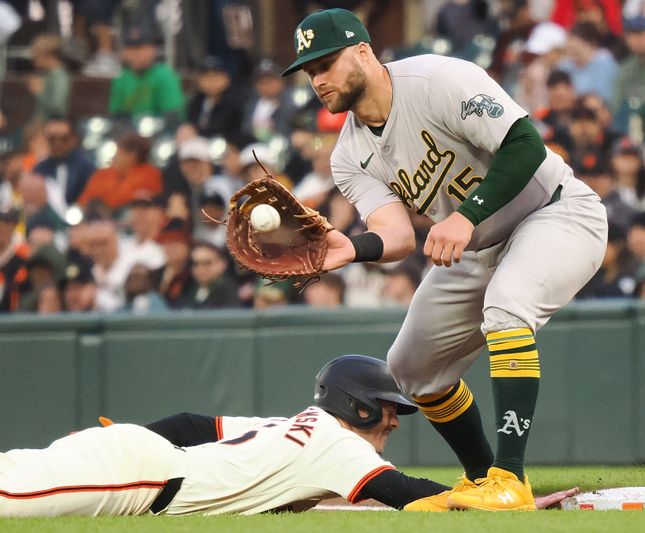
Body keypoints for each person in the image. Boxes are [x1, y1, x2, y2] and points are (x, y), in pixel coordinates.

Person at [281, 8, 607, 511]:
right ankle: (482, 482)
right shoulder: (348, 154)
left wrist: (468, 215)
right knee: (410, 367)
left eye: (327, 62)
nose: (317, 78)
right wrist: (354, 247)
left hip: (556, 211)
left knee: (507, 306)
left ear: (364, 51)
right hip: (478, 247)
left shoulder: (437, 79)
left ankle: (510, 475)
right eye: (309, 70)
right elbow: (397, 235)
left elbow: (525, 145)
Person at [0, 354, 581, 515]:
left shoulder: (296, 425)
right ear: (356, 408)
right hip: (136, 476)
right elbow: (406, 494)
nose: (395, 421)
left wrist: (125, 438)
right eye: (386, 409)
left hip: (136, 459)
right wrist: (496, 504)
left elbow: (187, 425)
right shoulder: (336, 444)